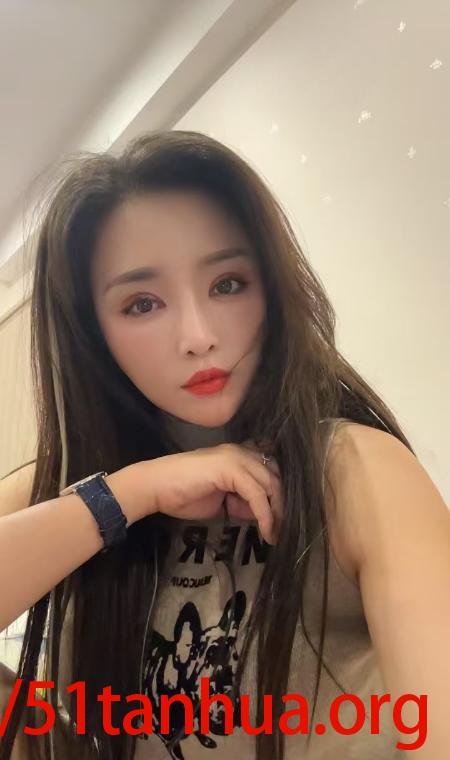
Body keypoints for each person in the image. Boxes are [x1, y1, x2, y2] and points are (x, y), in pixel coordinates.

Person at [0, 130, 448, 760]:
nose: (198, 336)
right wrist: (133, 492)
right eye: (142, 303)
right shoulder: (70, 483)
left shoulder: (352, 470)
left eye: (228, 284)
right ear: (92, 332)